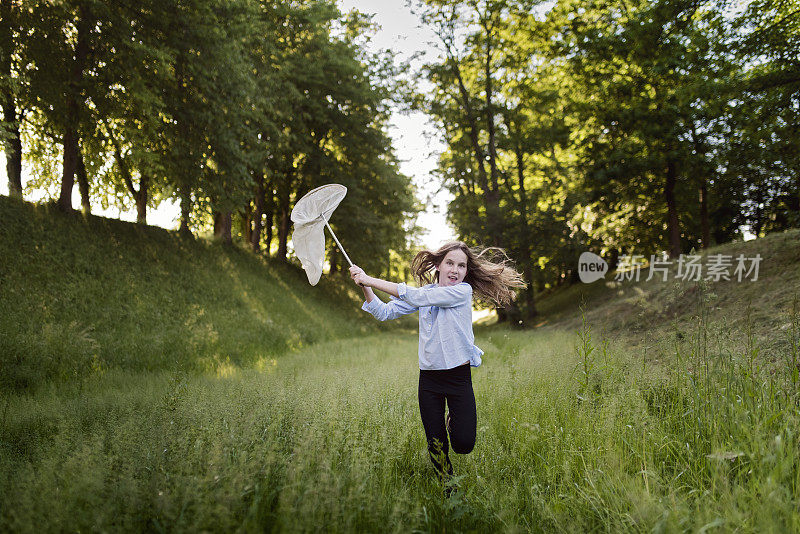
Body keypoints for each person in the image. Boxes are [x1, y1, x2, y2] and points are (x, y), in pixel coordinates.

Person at [349, 241, 525, 485]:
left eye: (461, 265)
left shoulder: (461, 292)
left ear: (466, 271)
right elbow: (384, 312)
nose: (455, 269)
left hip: (458, 378)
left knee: (464, 444)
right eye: (450, 263)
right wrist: (364, 286)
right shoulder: (426, 294)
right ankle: (449, 492)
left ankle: (452, 420)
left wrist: (370, 279)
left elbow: (417, 295)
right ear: (439, 266)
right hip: (429, 379)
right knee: (436, 444)